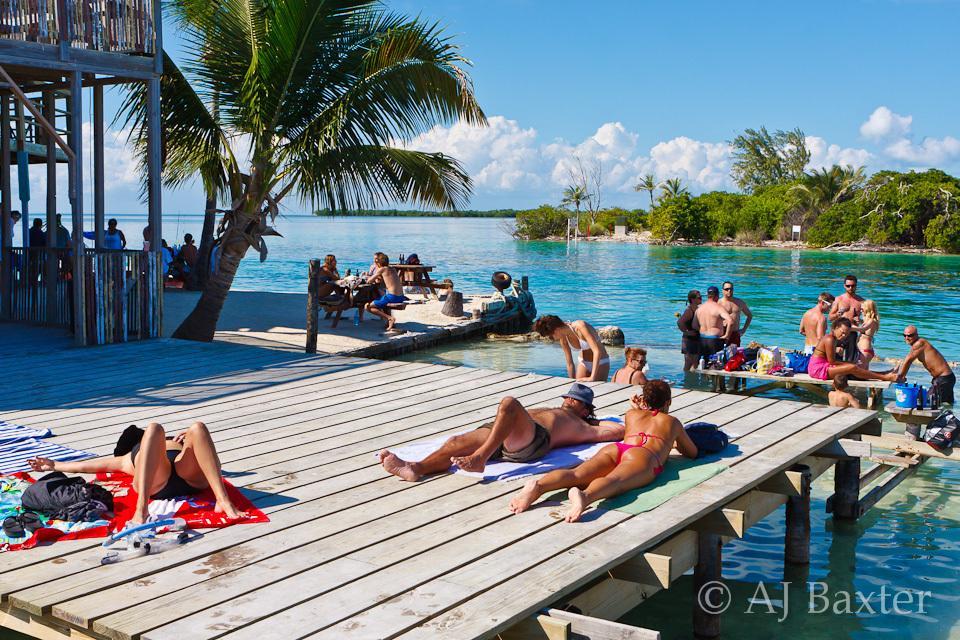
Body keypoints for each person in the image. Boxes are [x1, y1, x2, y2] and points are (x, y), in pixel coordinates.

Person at [508, 380, 698, 523]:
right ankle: (586, 496)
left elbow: (645, 416)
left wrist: (638, 406)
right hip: (643, 455)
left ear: (644, 400)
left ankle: (538, 486)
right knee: (615, 481)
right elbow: (691, 452)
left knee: (577, 473)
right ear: (669, 402)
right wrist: (672, 442)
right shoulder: (672, 422)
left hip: (617, 448)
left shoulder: (631, 414)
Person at [379, 383, 625, 481]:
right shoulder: (555, 409)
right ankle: (415, 469)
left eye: (576, 401)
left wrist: (595, 421)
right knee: (456, 441)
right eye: (568, 397)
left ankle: (480, 459)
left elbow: (618, 430)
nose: (569, 401)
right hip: (506, 433)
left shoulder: (583, 426)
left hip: (533, 440)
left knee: (508, 403)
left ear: (586, 409)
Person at [27, 422, 246, 526]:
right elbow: (91, 466)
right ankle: (141, 509)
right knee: (154, 428)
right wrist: (54, 465)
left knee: (197, 427)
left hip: (186, 475)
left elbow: (210, 460)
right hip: (157, 484)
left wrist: (189, 437)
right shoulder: (126, 458)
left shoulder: (172, 441)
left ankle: (222, 500)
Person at [807, 318, 897, 383]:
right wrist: (850, 364)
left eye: (846, 334)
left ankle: (883, 374)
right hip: (818, 369)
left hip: (825, 366)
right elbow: (832, 361)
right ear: (835, 328)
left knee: (855, 368)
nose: (844, 336)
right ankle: (885, 377)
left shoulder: (834, 339)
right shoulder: (829, 339)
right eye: (842, 332)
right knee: (853, 367)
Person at [533, 315, 610, 382]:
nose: (552, 338)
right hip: (583, 363)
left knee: (597, 391)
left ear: (556, 330)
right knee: (577, 390)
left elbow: (597, 351)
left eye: (551, 336)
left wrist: (592, 377)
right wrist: (570, 381)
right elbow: (569, 363)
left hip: (601, 362)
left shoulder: (580, 326)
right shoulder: (563, 338)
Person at [897, 326, 955, 406]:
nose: (907, 338)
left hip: (943, 379)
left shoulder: (919, 343)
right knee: (947, 405)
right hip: (947, 378)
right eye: (904, 335)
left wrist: (901, 377)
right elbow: (908, 361)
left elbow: (908, 361)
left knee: (926, 403)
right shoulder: (919, 344)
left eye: (910, 335)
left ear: (916, 335)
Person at [365, 252, 407, 333]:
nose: (375, 262)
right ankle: (389, 322)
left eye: (376, 261)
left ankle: (389, 318)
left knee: (368, 307)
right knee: (382, 298)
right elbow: (387, 281)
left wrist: (368, 275)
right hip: (401, 296)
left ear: (379, 262)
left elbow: (369, 281)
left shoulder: (382, 269)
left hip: (393, 297)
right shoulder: (392, 268)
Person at [829, 274, 864, 362]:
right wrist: (839, 313)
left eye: (853, 286)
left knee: (851, 361)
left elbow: (866, 321)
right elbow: (830, 317)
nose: (850, 288)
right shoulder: (839, 299)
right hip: (839, 333)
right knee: (835, 359)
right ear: (844, 286)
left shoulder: (861, 301)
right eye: (848, 286)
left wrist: (860, 320)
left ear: (856, 286)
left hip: (852, 333)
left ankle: (848, 375)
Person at [695, 286, 733, 357]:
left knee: (703, 363)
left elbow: (694, 325)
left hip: (702, 339)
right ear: (717, 296)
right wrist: (726, 335)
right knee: (715, 364)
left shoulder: (699, 308)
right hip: (714, 340)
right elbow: (730, 321)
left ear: (707, 295)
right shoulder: (719, 308)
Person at [718, 281, 752, 346]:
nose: (729, 291)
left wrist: (743, 330)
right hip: (722, 333)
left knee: (735, 355)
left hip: (735, 334)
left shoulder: (739, 302)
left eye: (731, 289)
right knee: (720, 355)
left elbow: (749, 315)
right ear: (722, 290)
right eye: (726, 289)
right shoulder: (718, 303)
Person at [677, 290, 702, 371]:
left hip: (695, 339)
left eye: (701, 297)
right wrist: (687, 332)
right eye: (699, 297)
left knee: (695, 363)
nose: (701, 299)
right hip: (689, 340)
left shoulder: (696, 309)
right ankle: (686, 381)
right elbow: (680, 322)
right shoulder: (689, 311)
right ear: (692, 299)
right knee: (689, 363)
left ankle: (690, 380)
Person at [854, 300, 880, 367]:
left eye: (862, 309)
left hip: (865, 350)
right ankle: (888, 374)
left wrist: (849, 327)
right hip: (865, 350)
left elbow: (863, 329)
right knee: (864, 373)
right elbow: (865, 327)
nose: (861, 311)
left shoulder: (871, 321)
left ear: (867, 309)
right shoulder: (868, 321)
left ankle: (888, 375)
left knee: (860, 373)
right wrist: (859, 321)